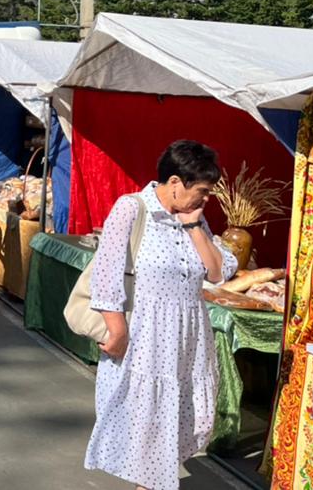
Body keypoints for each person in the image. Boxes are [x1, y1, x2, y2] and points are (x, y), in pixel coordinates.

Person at [84, 140, 235, 490]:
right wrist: (117, 331)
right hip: (146, 338)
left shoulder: (195, 219)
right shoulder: (132, 209)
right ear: (175, 182)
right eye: (202, 190)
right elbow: (105, 275)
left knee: (188, 422)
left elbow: (217, 272)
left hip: (188, 339)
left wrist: (194, 227)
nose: (207, 198)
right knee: (148, 429)